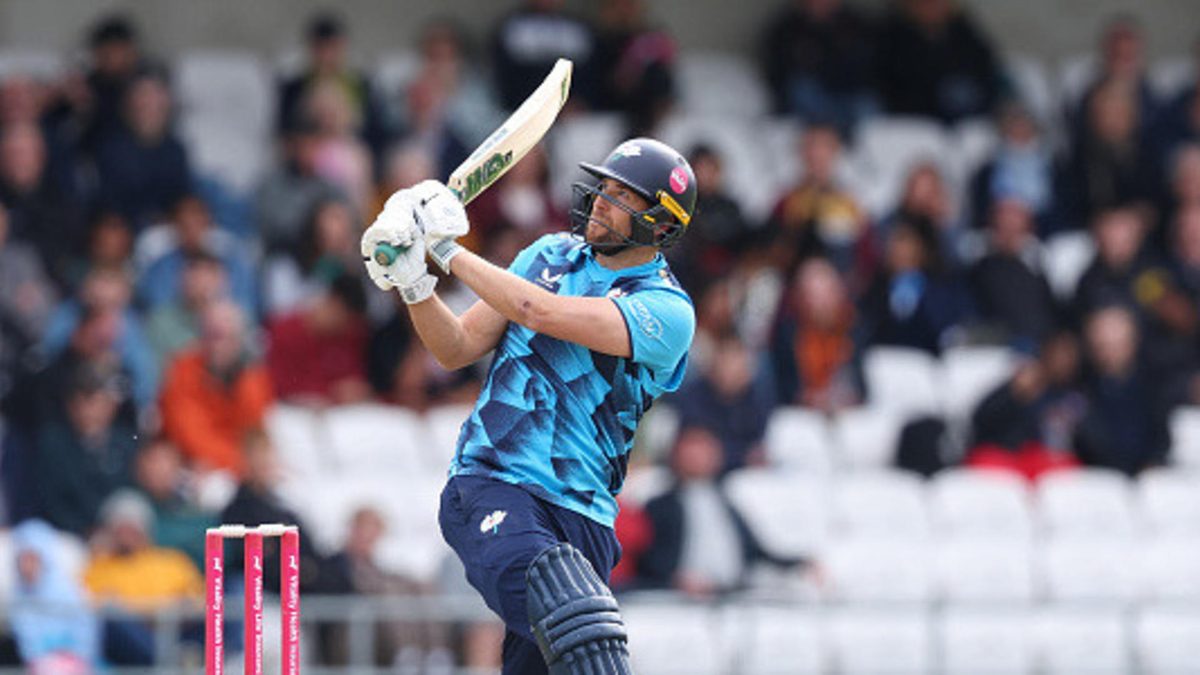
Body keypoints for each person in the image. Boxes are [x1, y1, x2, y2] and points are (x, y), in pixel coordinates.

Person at [360, 137, 697, 674]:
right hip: (493, 481)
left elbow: (537, 311)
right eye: (604, 187)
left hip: (583, 514)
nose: (602, 200)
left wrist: (446, 250)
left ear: (659, 225)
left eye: (622, 196)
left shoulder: (665, 310)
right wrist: (413, 282)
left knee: (560, 648)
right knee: (580, 622)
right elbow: (456, 348)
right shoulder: (547, 255)